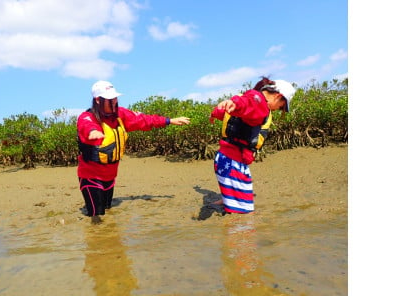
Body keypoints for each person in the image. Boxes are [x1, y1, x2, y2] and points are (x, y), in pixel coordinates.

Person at [77, 80, 190, 224]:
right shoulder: (87, 117)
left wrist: (169, 120)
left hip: (110, 176)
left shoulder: (121, 114)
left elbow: (144, 120)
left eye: (115, 97)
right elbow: (86, 125)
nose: (114, 101)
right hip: (91, 176)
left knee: (107, 211)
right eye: (110, 99)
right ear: (98, 100)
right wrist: (93, 132)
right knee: (96, 217)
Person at [209, 76, 296, 215]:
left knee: (242, 198)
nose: (278, 110)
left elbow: (233, 108)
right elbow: (247, 103)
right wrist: (236, 104)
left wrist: (215, 113)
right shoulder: (258, 102)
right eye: (281, 107)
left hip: (226, 159)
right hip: (232, 162)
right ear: (278, 96)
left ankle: (227, 201)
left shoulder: (254, 98)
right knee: (244, 217)